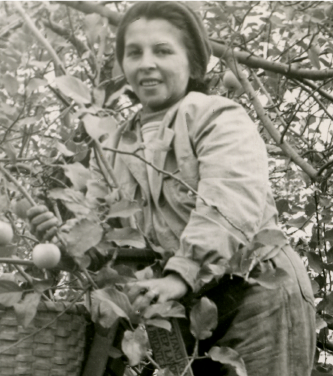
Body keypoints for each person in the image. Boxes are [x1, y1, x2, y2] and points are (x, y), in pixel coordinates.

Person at [27, 2, 316, 375]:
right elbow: (106, 239)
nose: (146, 62)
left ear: (194, 63)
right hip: (179, 306)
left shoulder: (217, 116)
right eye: (134, 53)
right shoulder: (113, 143)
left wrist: (181, 274)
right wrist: (66, 244)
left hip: (255, 295)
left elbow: (229, 202)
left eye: (162, 50)